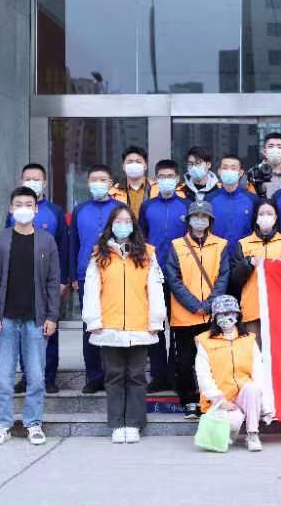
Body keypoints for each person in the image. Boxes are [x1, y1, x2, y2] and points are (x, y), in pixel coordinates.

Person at [82, 206, 166, 444]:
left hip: (140, 326)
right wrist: (93, 320)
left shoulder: (147, 253)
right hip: (109, 325)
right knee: (114, 376)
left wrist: (156, 319)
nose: (122, 225)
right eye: (118, 221)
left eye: (127, 221)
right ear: (111, 225)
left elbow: (155, 288)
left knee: (137, 376)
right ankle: (117, 424)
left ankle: (134, 423)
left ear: (133, 225)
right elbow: (91, 289)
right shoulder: (99, 254)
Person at [0, 187, 61, 446]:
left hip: (36, 319)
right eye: (18, 204)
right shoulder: (0, 240)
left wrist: (52, 316)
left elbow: (53, 282)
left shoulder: (46, 241)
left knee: (36, 376)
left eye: (28, 204)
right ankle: (3, 424)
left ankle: (33, 423)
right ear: (11, 208)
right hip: (5, 318)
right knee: (4, 377)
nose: (23, 209)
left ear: (36, 209)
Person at [7, 164, 68, 395]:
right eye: (28, 178)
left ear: (44, 182)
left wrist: (63, 279)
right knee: (23, 329)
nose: (32, 182)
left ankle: (48, 377)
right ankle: (27, 376)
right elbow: (6, 244)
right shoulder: (14, 213)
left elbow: (64, 246)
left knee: (48, 329)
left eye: (36, 178)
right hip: (20, 281)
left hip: (48, 281)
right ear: (21, 181)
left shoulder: (54, 212)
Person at [166, 201, 231, 419]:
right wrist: (194, 305)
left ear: (210, 221)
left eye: (204, 217)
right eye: (196, 216)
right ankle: (189, 401)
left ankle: (209, 399)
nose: (200, 220)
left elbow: (224, 277)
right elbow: (173, 279)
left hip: (211, 315)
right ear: (189, 220)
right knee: (185, 361)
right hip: (184, 315)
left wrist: (209, 304)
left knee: (211, 361)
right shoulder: (177, 245)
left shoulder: (221, 245)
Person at [70, 164, 124, 394]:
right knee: (90, 325)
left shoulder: (120, 209)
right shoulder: (80, 210)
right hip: (87, 275)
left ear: (111, 183)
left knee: (114, 324)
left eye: (102, 179)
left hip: (115, 274)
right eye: (94, 179)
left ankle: (114, 375)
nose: (98, 183)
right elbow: (73, 243)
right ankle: (93, 376)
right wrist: (73, 275)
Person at [195, 295, 273, 452]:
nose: (226, 318)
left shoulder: (249, 339)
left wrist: (265, 405)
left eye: (230, 313)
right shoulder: (205, 340)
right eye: (221, 314)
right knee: (234, 421)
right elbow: (203, 375)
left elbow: (258, 373)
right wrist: (219, 400)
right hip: (220, 398)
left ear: (237, 315)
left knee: (253, 388)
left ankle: (252, 434)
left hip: (244, 395)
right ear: (214, 317)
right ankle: (228, 432)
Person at [138, 159, 189, 393]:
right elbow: (141, 238)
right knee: (156, 326)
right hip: (154, 275)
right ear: (156, 179)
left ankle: (176, 374)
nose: (166, 179)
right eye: (162, 176)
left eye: (170, 176)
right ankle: (158, 376)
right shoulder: (147, 207)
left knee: (178, 328)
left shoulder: (187, 205)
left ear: (177, 179)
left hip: (181, 276)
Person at [231, 201, 281, 346]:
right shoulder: (243, 244)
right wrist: (247, 263)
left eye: (269, 213)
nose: (265, 217)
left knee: (279, 351)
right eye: (261, 214)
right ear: (256, 217)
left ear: (276, 217)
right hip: (252, 309)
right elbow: (235, 280)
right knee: (255, 352)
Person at [209, 154, 259, 253]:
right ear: (219, 171)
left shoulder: (252, 199)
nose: (229, 171)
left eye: (233, 168)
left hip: (244, 255)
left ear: (241, 172)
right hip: (216, 255)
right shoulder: (210, 199)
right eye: (225, 168)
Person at [109, 146, 156, 218]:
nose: (134, 164)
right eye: (130, 162)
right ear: (123, 167)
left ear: (145, 166)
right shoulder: (112, 192)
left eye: (138, 162)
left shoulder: (157, 189)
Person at [248, 132, 281, 198]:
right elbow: (249, 197)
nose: (275, 150)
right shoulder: (254, 172)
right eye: (271, 146)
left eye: (279, 147)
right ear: (264, 152)